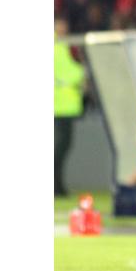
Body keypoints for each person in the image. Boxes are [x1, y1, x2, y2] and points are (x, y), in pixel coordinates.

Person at [54, 18, 86, 197]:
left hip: (64, 106)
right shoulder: (57, 46)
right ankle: (56, 186)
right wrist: (84, 72)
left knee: (62, 147)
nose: (64, 29)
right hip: (60, 106)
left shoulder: (62, 45)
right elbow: (69, 73)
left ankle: (58, 186)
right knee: (60, 147)